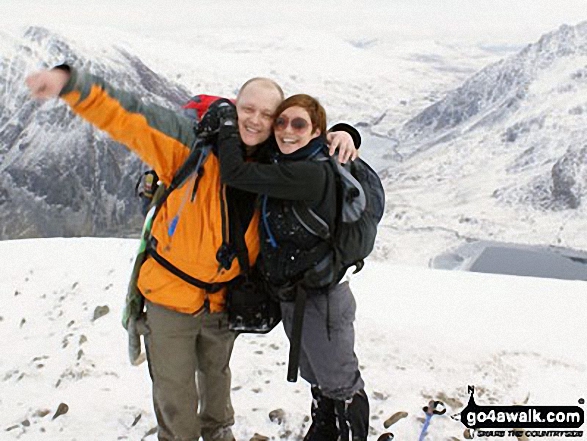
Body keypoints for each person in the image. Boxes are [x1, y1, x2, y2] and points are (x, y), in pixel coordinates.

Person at [25, 66, 358, 441]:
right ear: (234, 107)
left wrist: (345, 134)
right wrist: (73, 85)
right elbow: (129, 116)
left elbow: (319, 153)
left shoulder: (280, 162)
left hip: (224, 304)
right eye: (248, 109)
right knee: (175, 397)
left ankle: (218, 435)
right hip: (170, 298)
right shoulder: (189, 149)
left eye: (268, 115)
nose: (256, 120)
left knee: (216, 387)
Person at [212, 94, 369, 440]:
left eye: (299, 124)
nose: (286, 131)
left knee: (340, 381)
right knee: (320, 376)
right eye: (281, 122)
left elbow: (235, 172)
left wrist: (225, 123)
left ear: (316, 131)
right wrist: (344, 132)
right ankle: (325, 428)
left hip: (321, 299)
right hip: (300, 294)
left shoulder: (308, 173)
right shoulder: (294, 157)